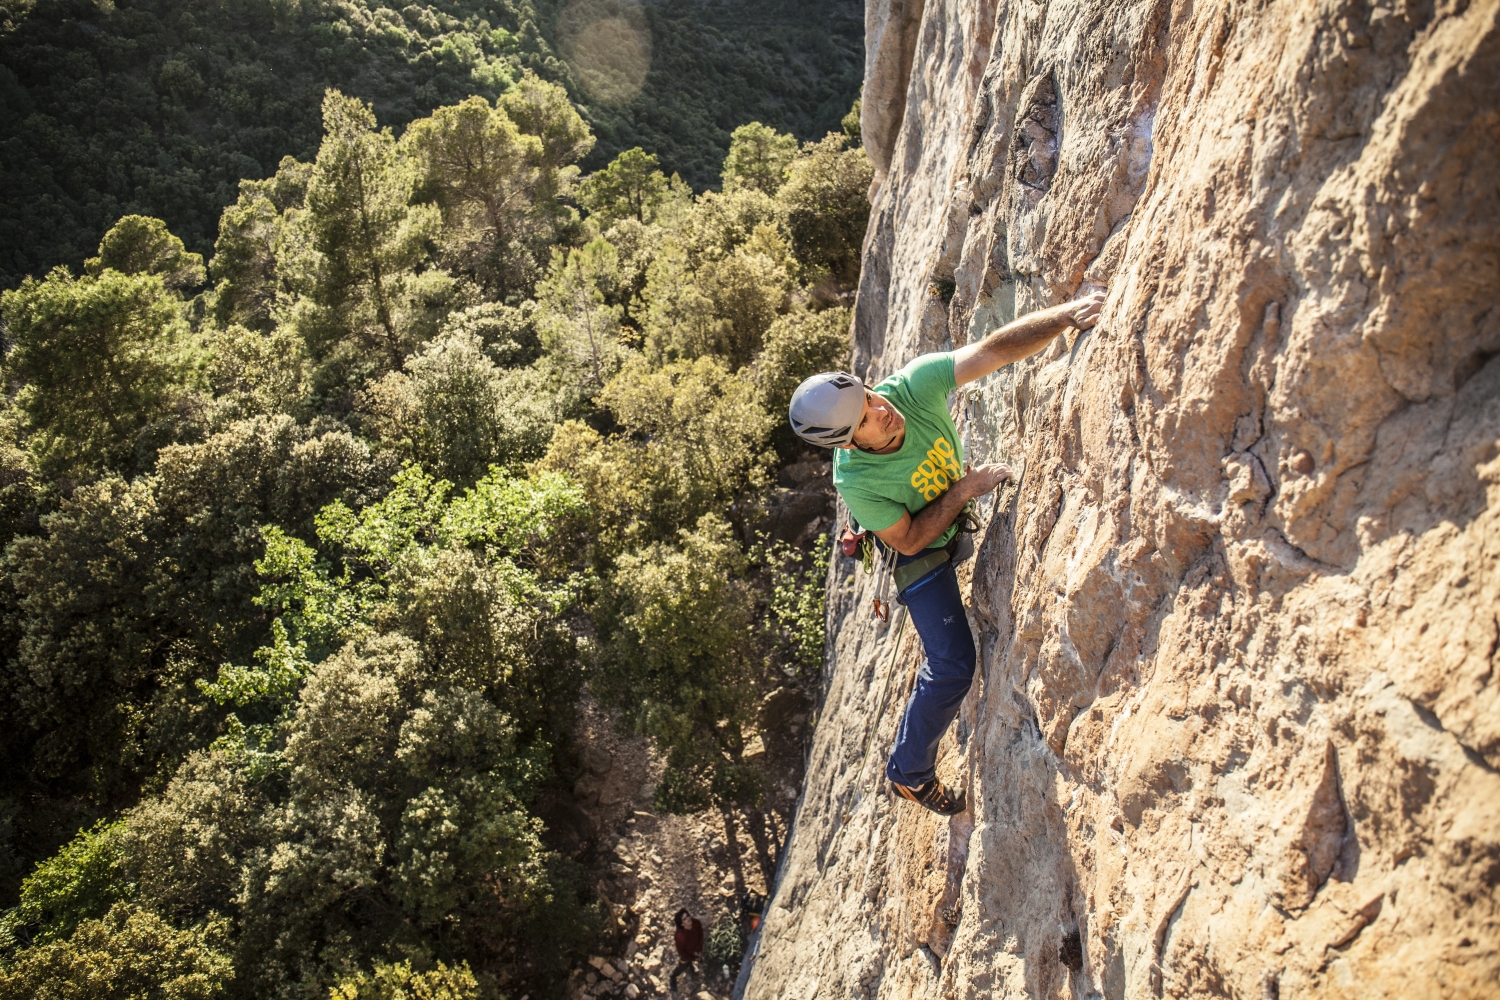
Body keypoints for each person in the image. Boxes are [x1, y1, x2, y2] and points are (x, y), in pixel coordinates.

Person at [788, 292, 1106, 815]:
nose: (882, 410)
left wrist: (1065, 316)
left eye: (869, 396)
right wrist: (963, 491)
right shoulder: (858, 482)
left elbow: (993, 350)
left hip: (946, 516)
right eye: (865, 419)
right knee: (954, 664)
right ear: (847, 443)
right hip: (917, 551)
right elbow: (911, 540)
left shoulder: (912, 387)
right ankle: (909, 772)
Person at [670, 908, 704, 992]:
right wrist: (693, 958)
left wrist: (700, 951)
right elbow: (682, 952)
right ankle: (673, 977)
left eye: (688, 916)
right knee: (683, 965)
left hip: (695, 949)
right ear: (682, 924)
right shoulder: (680, 936)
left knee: (695, 960)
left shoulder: (696, 923)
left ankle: (691, 966)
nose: (688, 919)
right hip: (686, 953)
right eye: (684, 919)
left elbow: (701, 935)